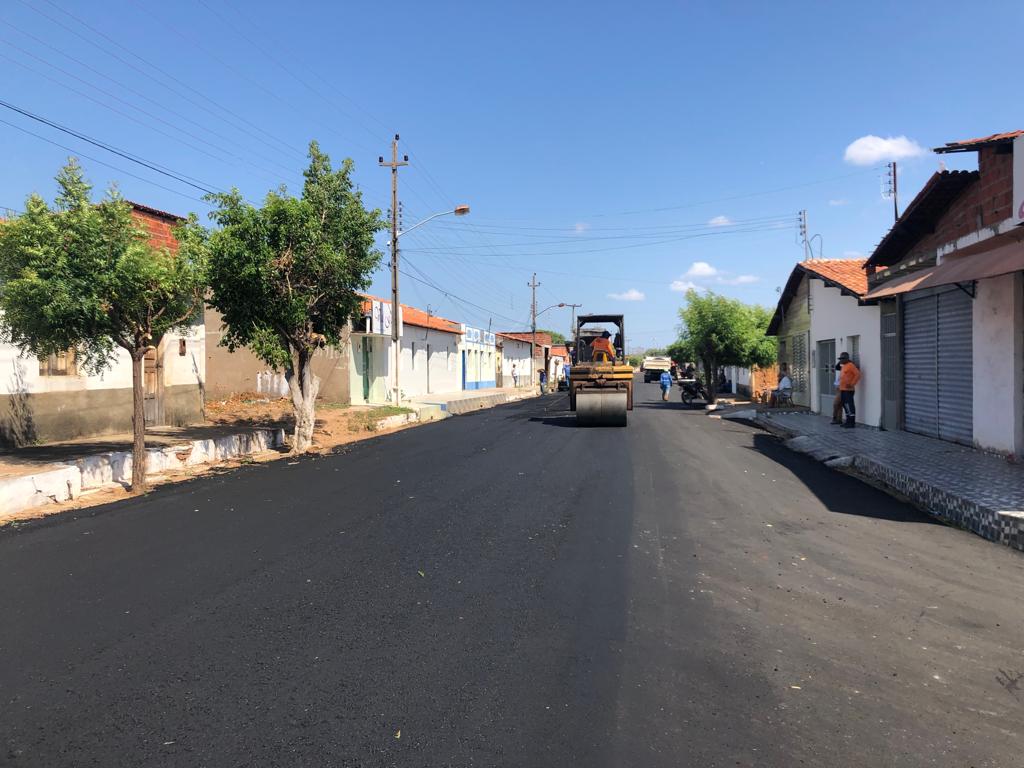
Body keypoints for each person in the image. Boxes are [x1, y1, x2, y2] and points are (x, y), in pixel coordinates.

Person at [838, 351, 861, 428]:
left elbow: (858, 374)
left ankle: (852, 423)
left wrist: (851, 384)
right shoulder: (843, 366)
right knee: (845, 405)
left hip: (849, 390)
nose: (841, 360)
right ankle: (848, 421)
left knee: (849, 405)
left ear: (847, 359)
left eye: (842, 358)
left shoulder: (851, 365)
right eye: (840, 358)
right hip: (842, 389)